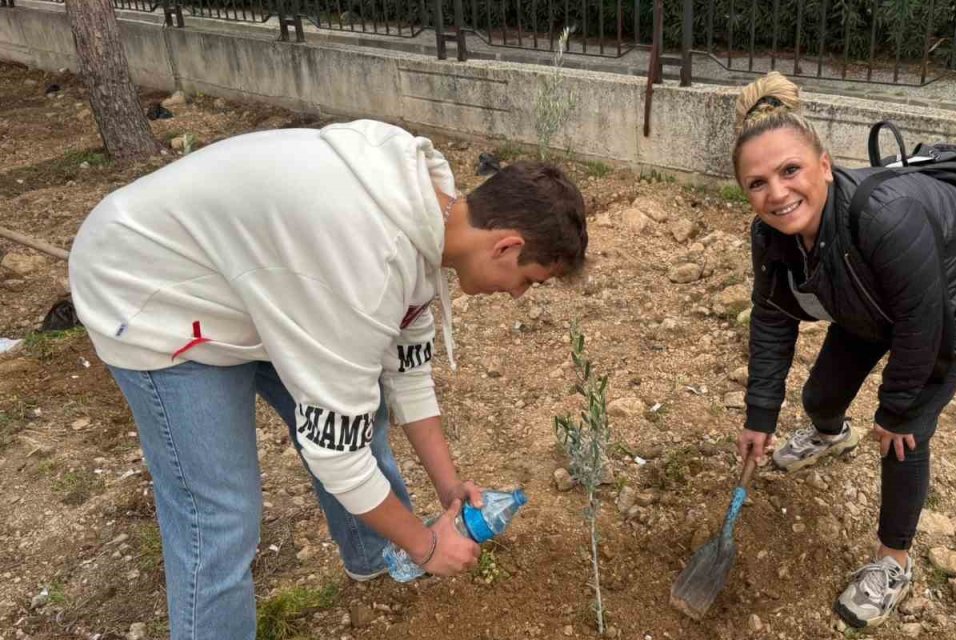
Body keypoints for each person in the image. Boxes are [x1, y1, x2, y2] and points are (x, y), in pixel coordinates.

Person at [68, 120, 587, 639]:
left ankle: (375, 554)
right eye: (528, 280)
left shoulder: (426, 211)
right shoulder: (364, 265)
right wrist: (425, 545)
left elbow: (408, 369)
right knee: (220, 516)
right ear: (505, 245)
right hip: (151, 291)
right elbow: (335, 451)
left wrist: (450, 488)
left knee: (360, 413)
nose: (519, 295)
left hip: (260, 280)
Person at [731, 72, 956, 628]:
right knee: (821, 397)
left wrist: (900, 406)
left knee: (904, 436)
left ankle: (893, 560)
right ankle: (830, 434)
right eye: (757, 182)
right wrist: (760, 415)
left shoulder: (884, 213)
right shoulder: (771, 236)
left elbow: (923, 319)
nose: (777, 193)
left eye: (790, 170)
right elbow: (771, 317)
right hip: (872, 290)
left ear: (824, 164)